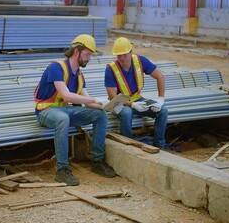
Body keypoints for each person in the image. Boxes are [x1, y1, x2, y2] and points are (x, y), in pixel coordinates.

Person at [34, 34, 117, 186]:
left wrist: (107, 106)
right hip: (46, 111)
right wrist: (94, 99)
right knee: (62, 119)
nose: (89, 58)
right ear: (76, 52)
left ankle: (97, 161)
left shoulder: (79, 75)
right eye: (87, 54)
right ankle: (62, 170)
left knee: (99, 115)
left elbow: (88, 102)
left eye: (90, 55)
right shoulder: (56, 68)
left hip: (64, 111)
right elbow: (67, 96)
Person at [104, 37, 174, 150]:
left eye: (124, 54)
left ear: (131, 51)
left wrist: (160, 99)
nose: (122, 58)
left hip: (138, 99)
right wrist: (132, 105)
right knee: (126, 113)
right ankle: (127, 146)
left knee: (163, 111)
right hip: (117, 103)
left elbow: (159, 76)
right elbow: (112, 96)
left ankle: (159, 145)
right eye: (119, 55)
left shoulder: (140, 61)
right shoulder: (111, 69)